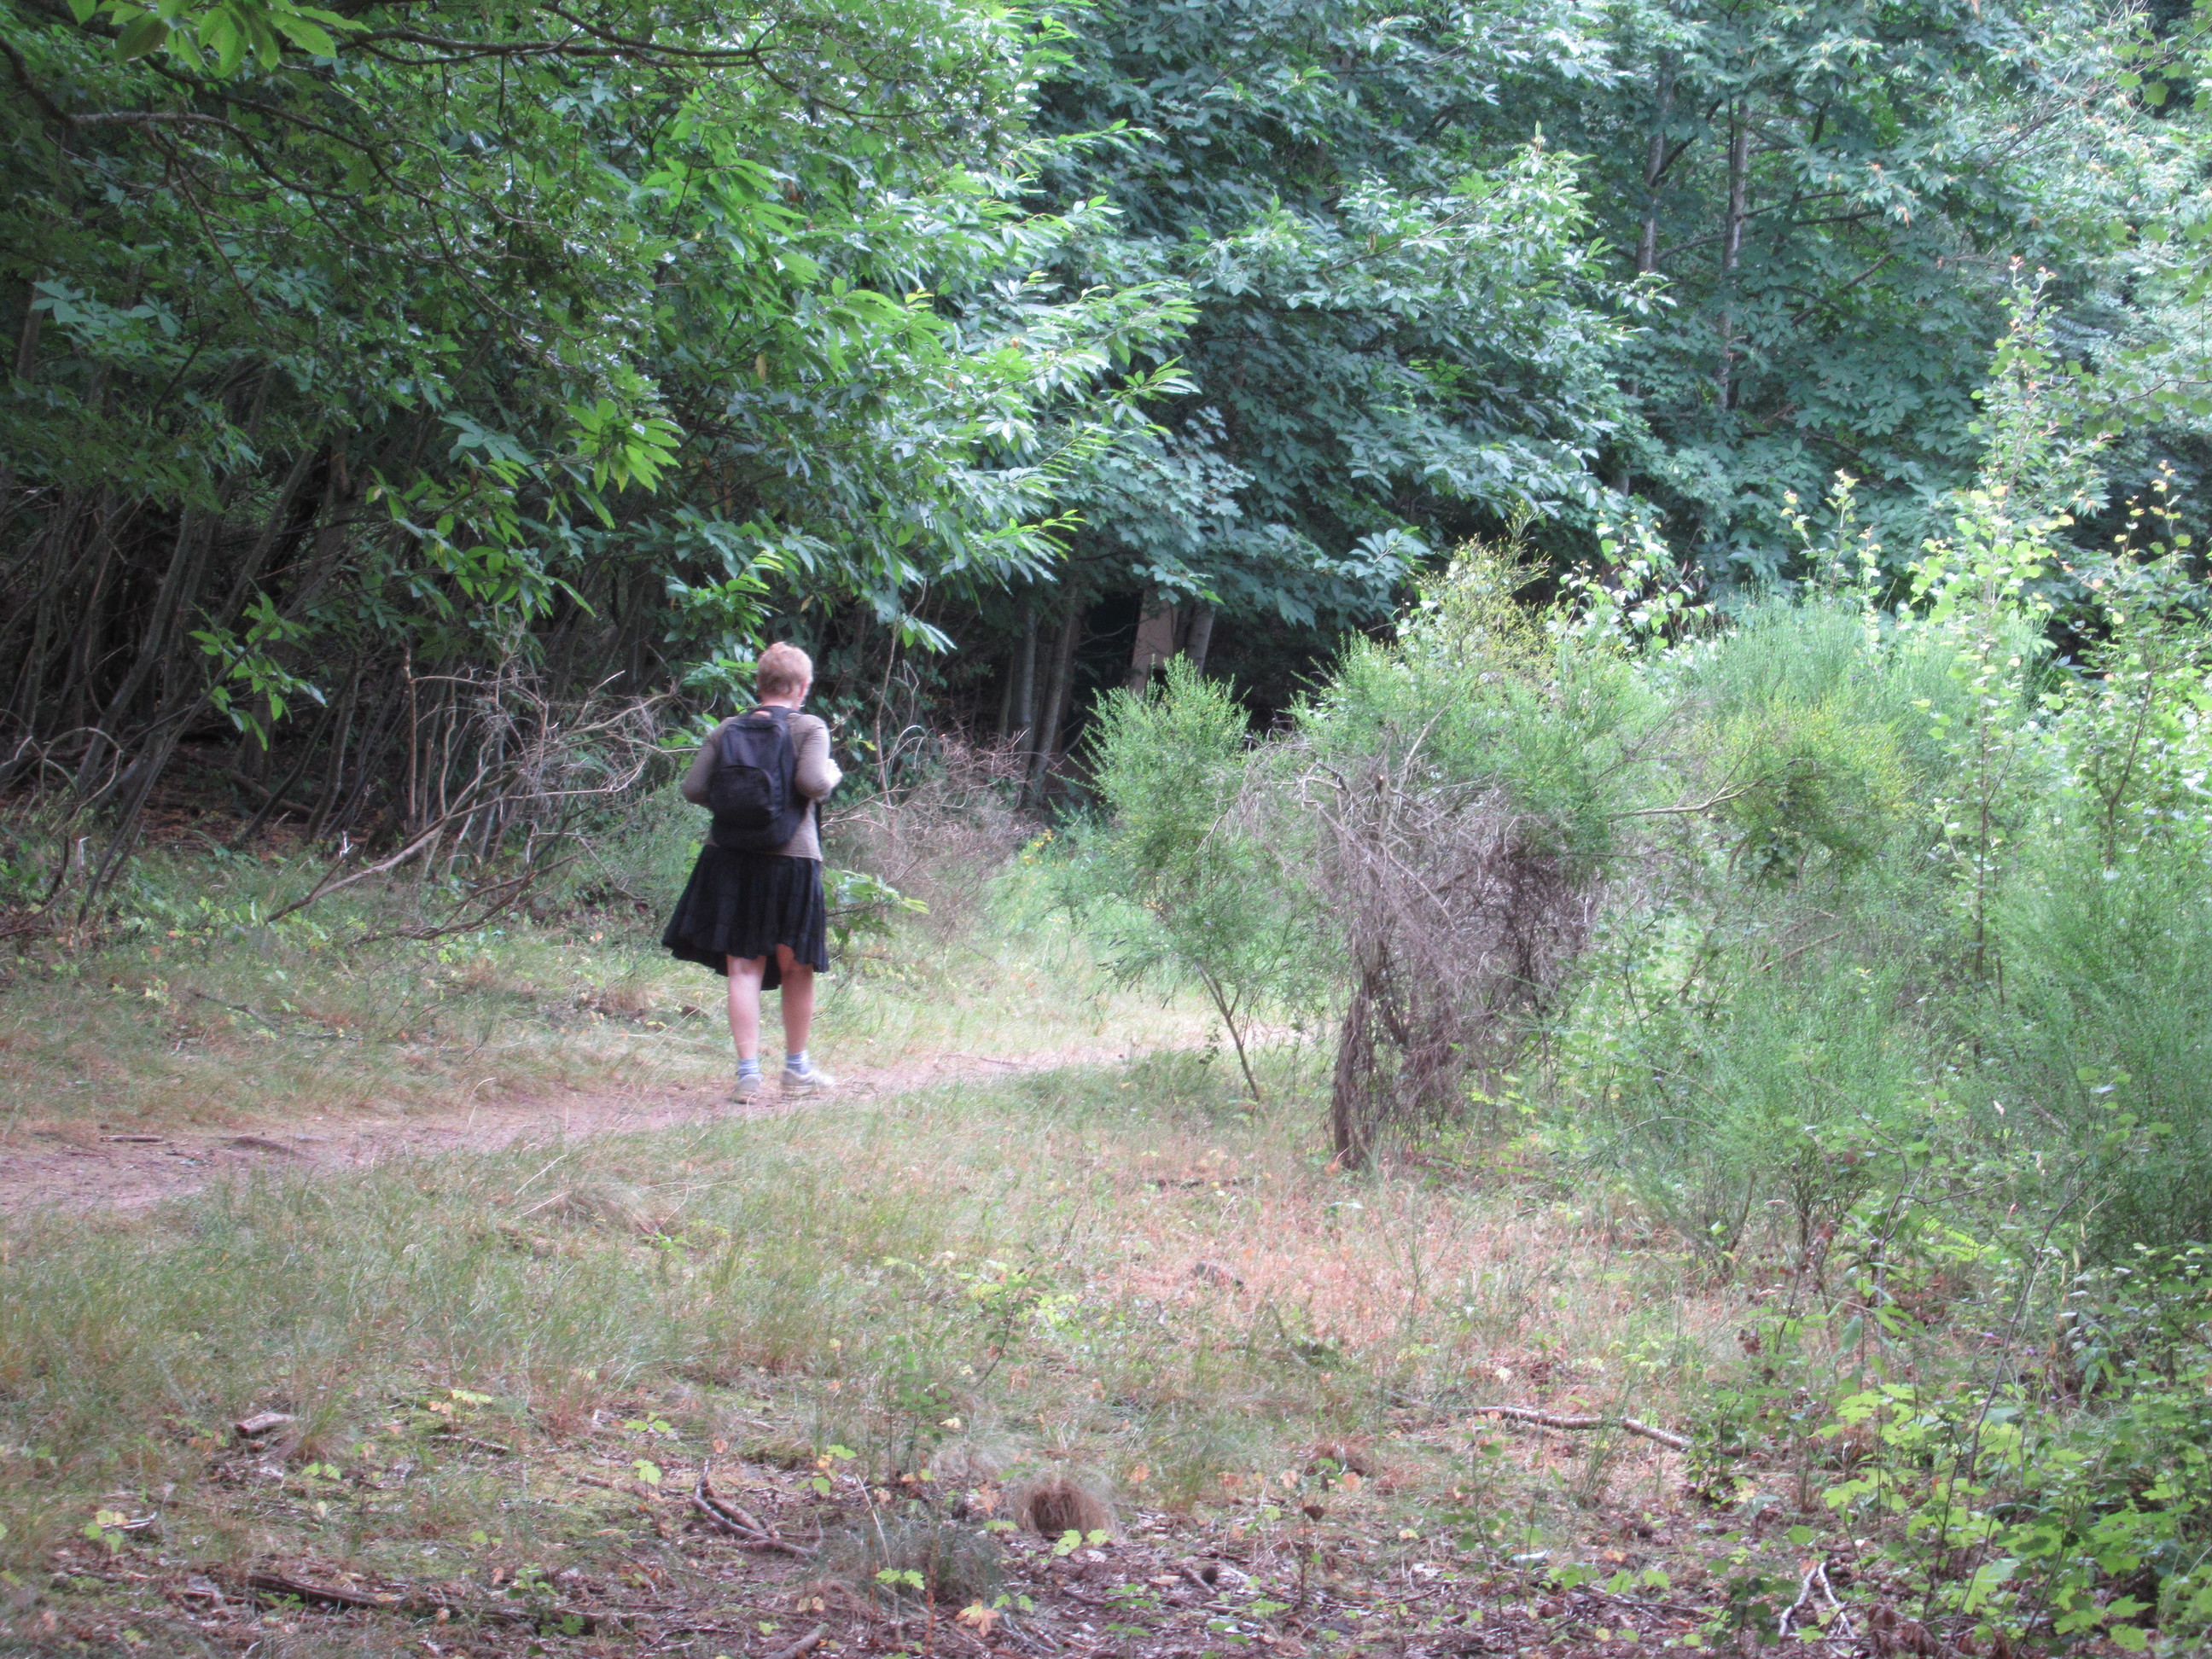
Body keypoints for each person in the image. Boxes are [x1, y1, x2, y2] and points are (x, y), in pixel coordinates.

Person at [663, 642, 841, 1102]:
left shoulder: (727, 729)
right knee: (796, 966)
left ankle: (747, 1074)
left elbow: (693, 787)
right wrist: (832, 777)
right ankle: (796, 1070)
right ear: (803, 687)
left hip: (730, 856)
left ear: (759, 684)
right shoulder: (810, 727)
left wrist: (736, 805)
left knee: (743, 966)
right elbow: (812, 783)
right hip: (793, 859)